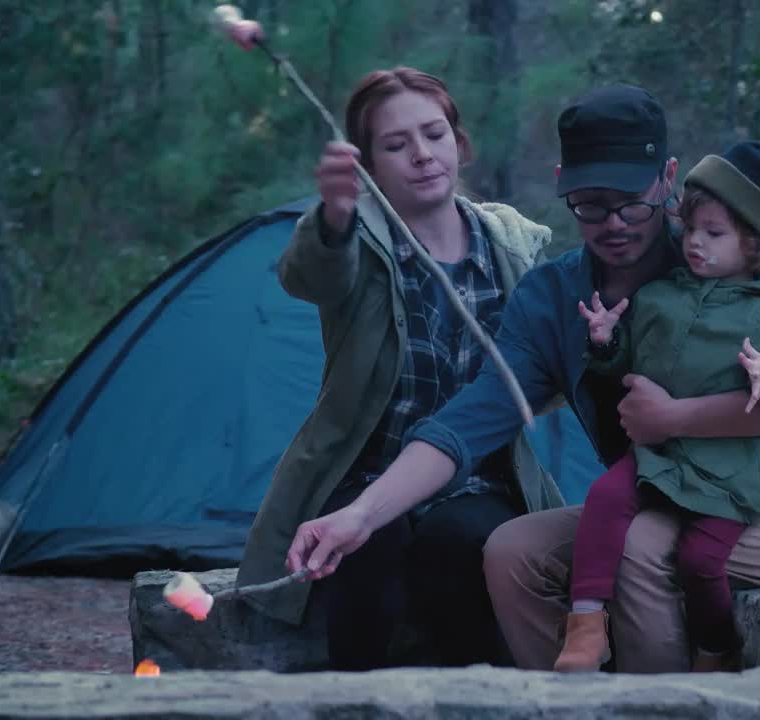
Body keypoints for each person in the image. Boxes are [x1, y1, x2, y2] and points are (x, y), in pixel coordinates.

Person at [284, 84, 760, 674]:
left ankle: (658, 706)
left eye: (631, 202)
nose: (613, 223)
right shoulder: (556, 299)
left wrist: (676, 418)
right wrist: (363, 512)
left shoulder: (746, 254)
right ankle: (572, 702)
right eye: (590, 203)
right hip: (665, 498)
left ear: (667, 179)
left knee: (640, 550)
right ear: (564, 185)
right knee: (512, 551)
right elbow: (468, 423)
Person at [235, 66, 566, 671]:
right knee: (368, 545)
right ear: (368, 165)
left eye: (434, 134)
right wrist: (334, 216)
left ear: (458, 143)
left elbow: (537, 377)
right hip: (364, 470)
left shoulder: (510, 243)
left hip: (480, 478)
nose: (421, 154)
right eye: (395, 145)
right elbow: (310, 275)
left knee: (462, 541)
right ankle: (354, 700)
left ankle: (469, 699)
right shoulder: (359, 238)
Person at [553, 125, 760, 673]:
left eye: (715, 233)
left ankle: (716, 647)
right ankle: (585, 628)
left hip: (732, 472)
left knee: (701, 560)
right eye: (692, 228)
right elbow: (623, 365)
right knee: (605, 497)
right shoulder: (658, 296)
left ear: (754, 243)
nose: (695, 242)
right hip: (663, 460)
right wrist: (604, 342)